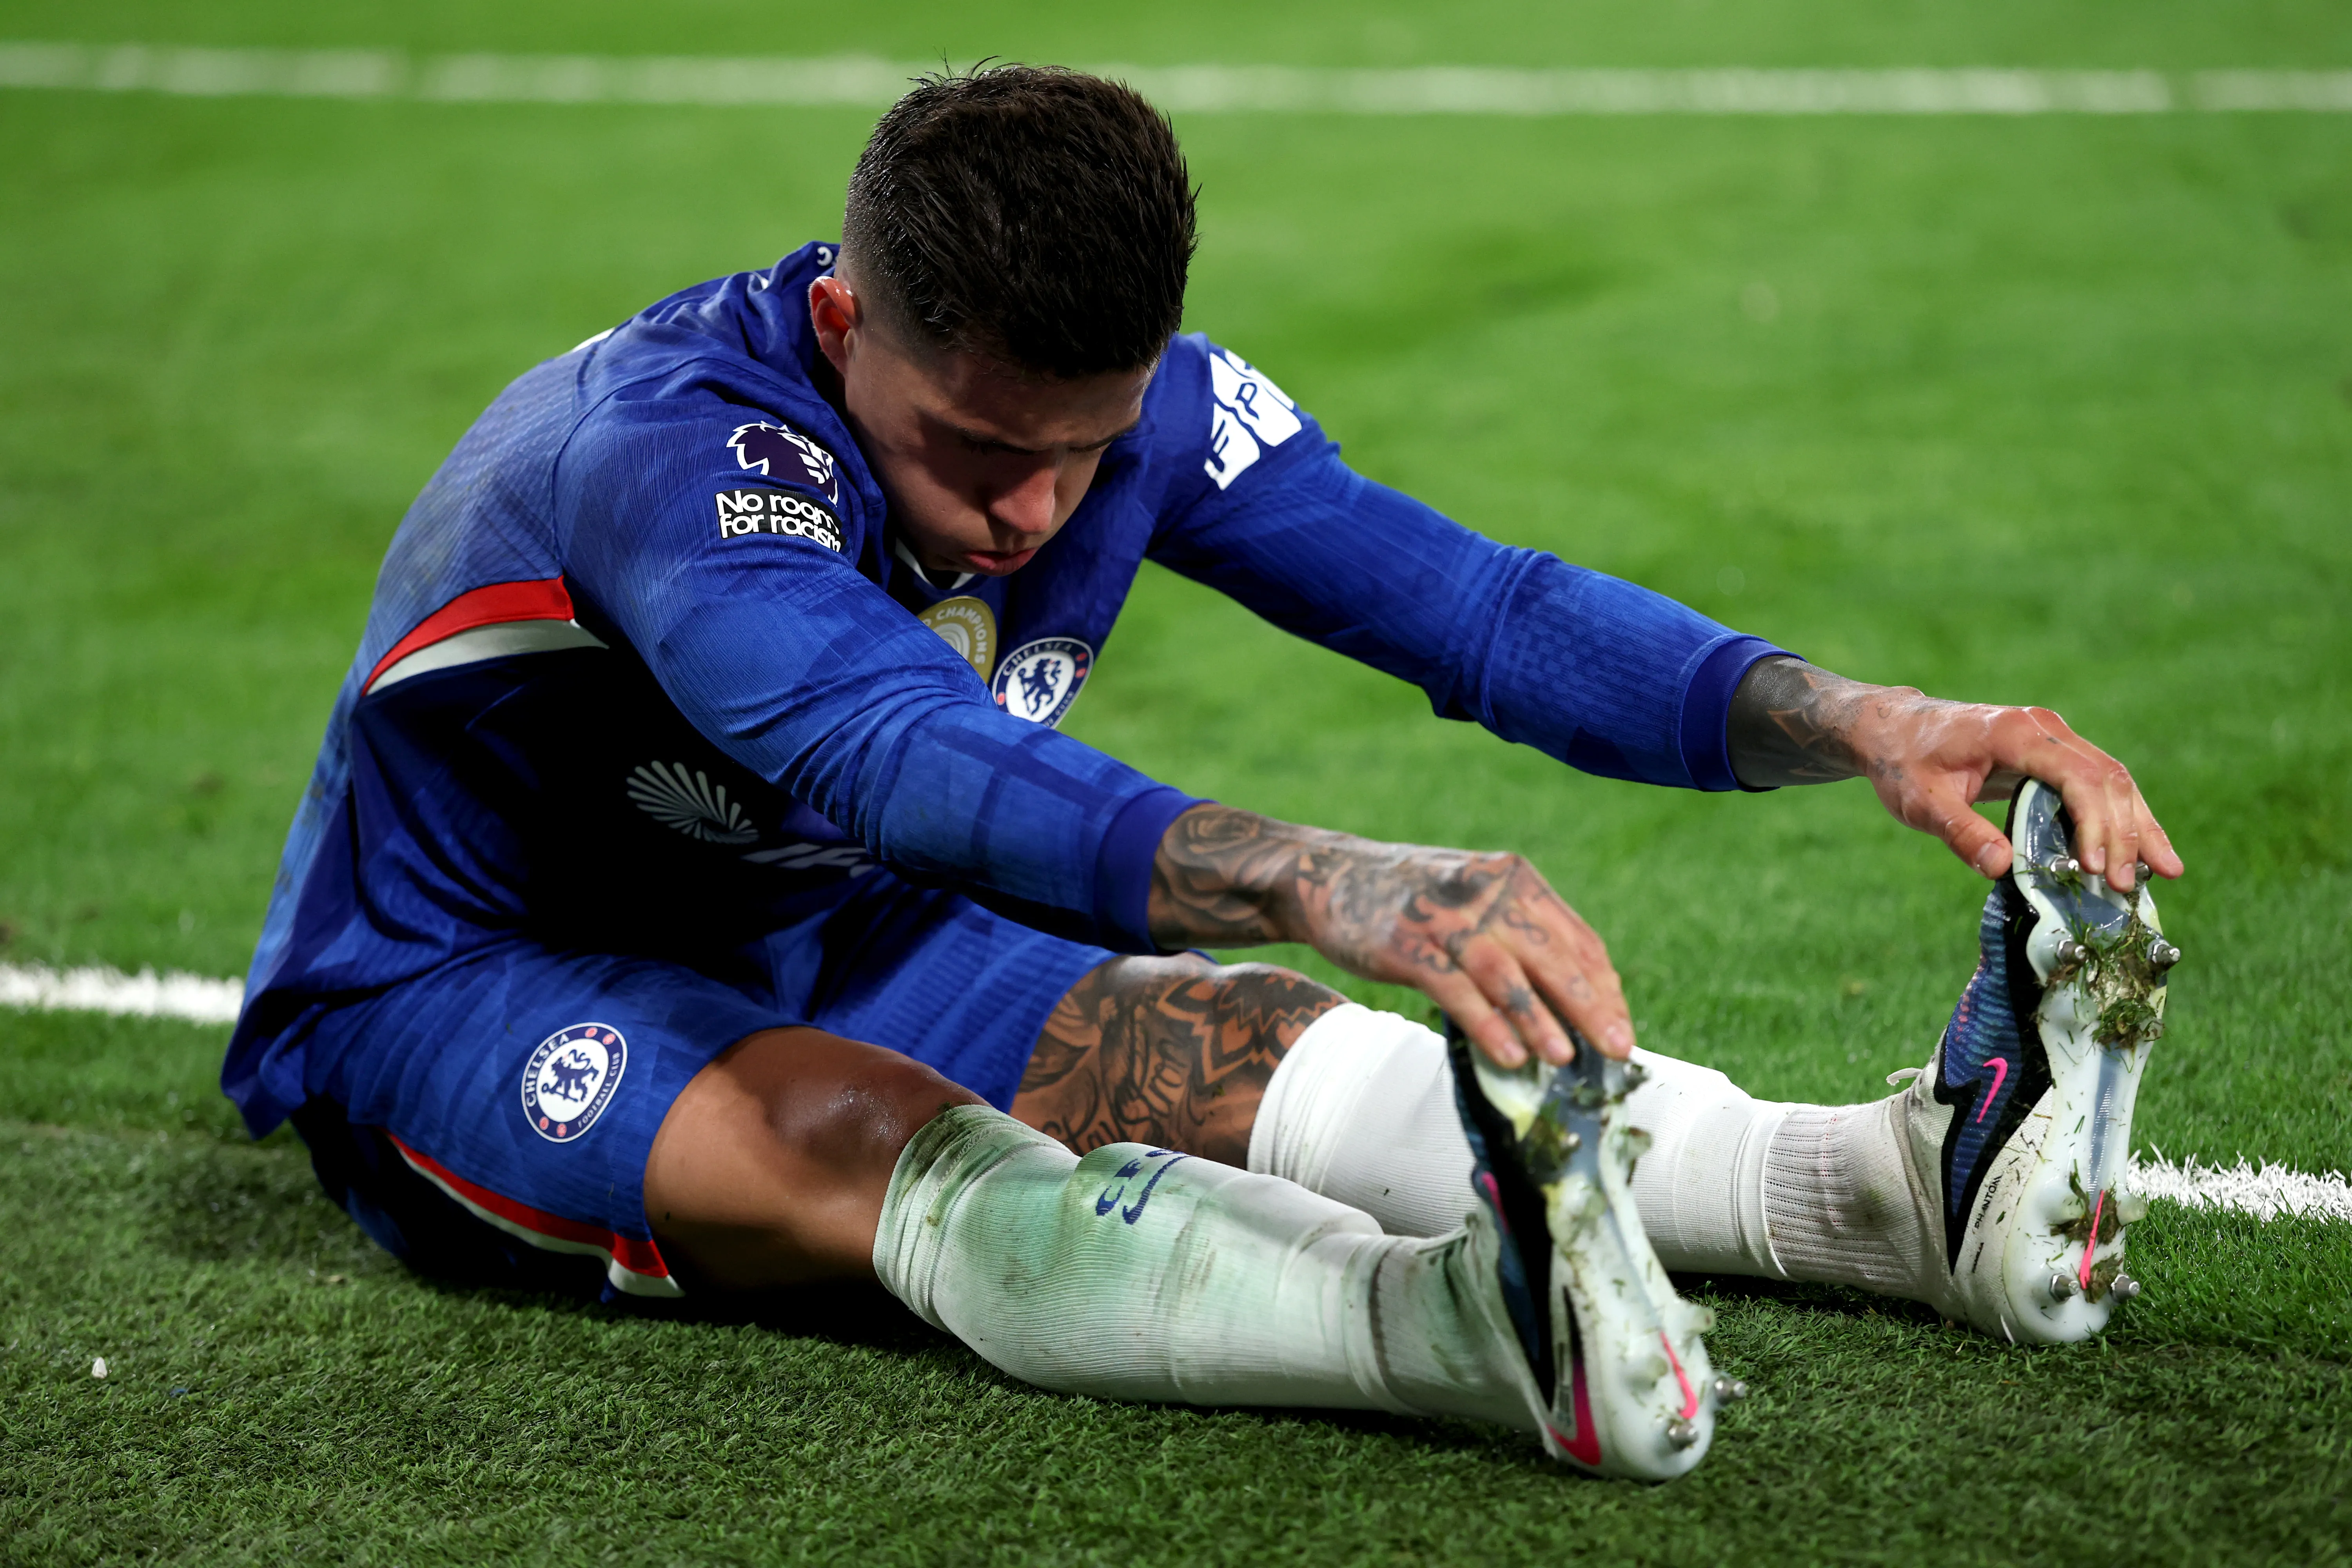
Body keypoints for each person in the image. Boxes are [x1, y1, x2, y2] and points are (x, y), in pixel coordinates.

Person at [224, 65, 2182, 1480]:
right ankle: (1460, 1339)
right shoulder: (670, 451)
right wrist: (1333, 872)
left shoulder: (1132, 409)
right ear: (844, 321)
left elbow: (1479, 613)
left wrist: (1865, 721)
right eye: (973, 446)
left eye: (1080, 450)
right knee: (871, 1133)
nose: (1030, 509)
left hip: (827, 912)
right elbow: (888, 747)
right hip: (463, 975)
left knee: (1241, 1042)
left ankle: (1883, 1192)